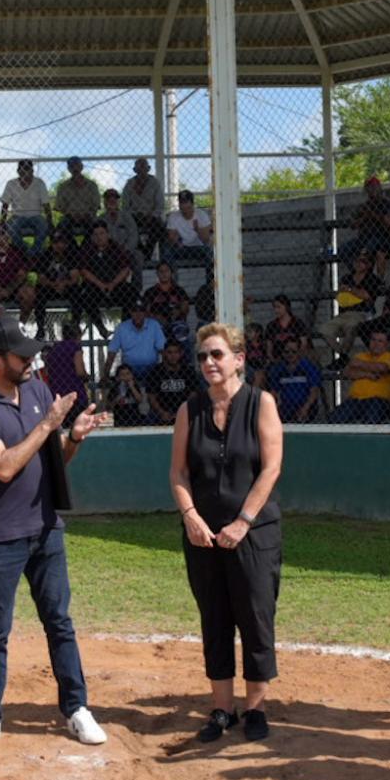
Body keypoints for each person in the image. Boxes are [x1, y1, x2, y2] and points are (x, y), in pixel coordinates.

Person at [0, 320, 108, 748]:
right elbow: (2, 466)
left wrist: (72, 437)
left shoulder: (37, 391)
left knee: (59, 622)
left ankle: (76, 708)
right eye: (23, 356)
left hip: (46, 529)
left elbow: (55, 460)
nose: (32, 361)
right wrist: (48, 424)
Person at [171, 321, 285, 743]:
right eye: (202, 356)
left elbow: (271, 467)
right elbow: (179, 470)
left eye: (217, 354)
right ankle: (222, 708)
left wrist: (243, 521)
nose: (208, 363)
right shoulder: (190, 409)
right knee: (214, 617)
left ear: (238, 359)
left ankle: (256, 708)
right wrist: (190, 515)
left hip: (254, 533)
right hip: (202, 535)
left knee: (255, 616)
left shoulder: (261, 403)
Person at [330, 327, 390, 424]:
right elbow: (347, 372)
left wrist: (359, 365)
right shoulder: (361, 356)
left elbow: (382, 368)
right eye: (373, 340)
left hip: (379, 400)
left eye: (380, 341)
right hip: (355, 399)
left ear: (387, 344)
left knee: (371, 421)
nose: (375, 344)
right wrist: (368, 374)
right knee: (334, 420)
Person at [0, 159, 53, 251]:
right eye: (23, 169)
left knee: (44, 227)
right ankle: (26, 250)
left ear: (32, 170)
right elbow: (5, 204)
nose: (25, 172)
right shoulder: (11, 184)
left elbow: (46, 204)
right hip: (17, 216)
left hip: (36, 215)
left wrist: (50, 221)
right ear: (18, 171)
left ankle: (33, 252)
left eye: (28, 169)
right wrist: (2, 221)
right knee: (10, 228)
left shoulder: (39, 183)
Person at [263, 340, 323, 423]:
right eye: (287, 352)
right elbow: (274, 391)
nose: (290, 354)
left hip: (305, 404)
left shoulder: (308, 367)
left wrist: (305, 408)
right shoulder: (278, 369)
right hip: (285, 406)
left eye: (294, 352)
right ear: (283, 353)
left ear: (299, 352)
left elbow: (314, 391)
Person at [107, 300, 166, 378]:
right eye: (134, 311)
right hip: (130, 368)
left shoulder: (154, 325)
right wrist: (105, 375)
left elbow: (162, 349)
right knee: (122, 373)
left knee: (158, 373)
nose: (138, 314)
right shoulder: (122, 327)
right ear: (130, 312)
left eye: (141, 311)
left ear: (145, 313)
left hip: (152, 367)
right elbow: (112, 352)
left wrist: (166, 370)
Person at [163, 188, 213, 270]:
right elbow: (171, 238)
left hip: (199, 247)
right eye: (181, 203)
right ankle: (173, 280)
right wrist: (176, 241)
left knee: (209, 252)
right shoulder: (173, 216)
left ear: (192, 204)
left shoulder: (202, 215)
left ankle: (210, 281)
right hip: (181, 248)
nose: (184, 206)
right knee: (167, 251)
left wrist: (197, 230)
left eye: (186, 203)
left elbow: (206, 240)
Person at [53, 158, 100, 235]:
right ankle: (71, 246)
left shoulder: (92, 185)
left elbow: (96, 205)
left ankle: (88, 246)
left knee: (97, 229)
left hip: (88, 216)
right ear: (68, 169)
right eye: (72, 166)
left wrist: (86, 214)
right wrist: (70, 214)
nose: (75, 168)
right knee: (58, 232)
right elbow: (59, 206)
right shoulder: (63, 186)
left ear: (81, 167)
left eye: (77, 165)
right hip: (69, 217)